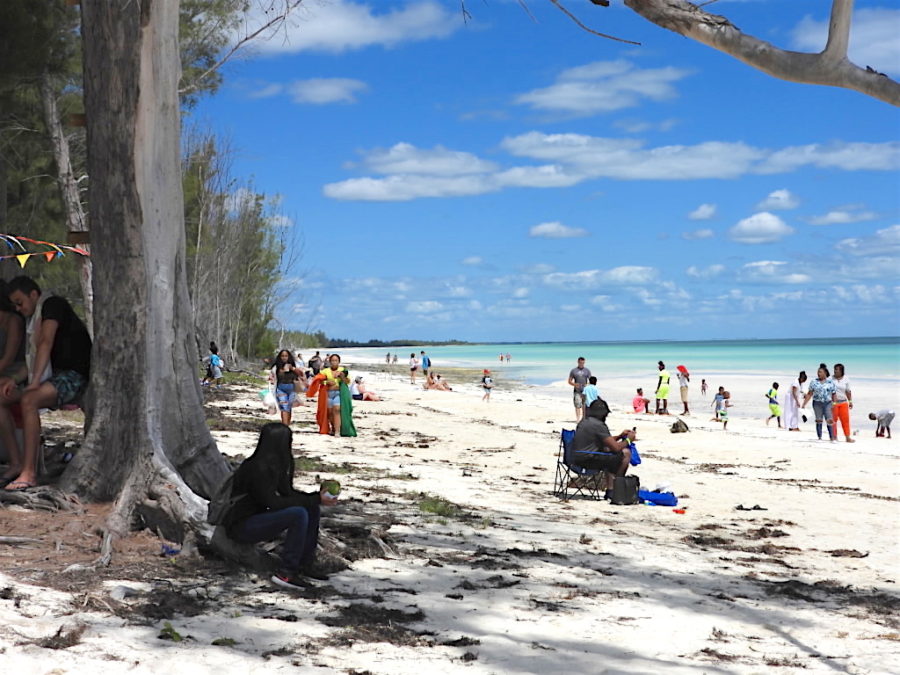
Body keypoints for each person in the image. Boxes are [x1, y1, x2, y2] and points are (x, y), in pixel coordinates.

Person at [0, 276, 91, 491]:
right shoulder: (33, 320)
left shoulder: (52, 305)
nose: (18, 308)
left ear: (33, 295)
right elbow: (32, 361)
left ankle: (29, 473)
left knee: (30, 400)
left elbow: (45, 343)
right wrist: (14, 380)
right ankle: (16, 463)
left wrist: (33, 384)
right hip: (51, 376)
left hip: (73, 374)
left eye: (20, 302)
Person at [222, 423, 338, 589]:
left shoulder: (280, 463)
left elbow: (287, 493)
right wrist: (313, 499)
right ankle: (286, 573)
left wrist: (316, 499)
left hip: (260, 518)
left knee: (311, 509)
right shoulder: (256, 467)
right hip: (241, 525)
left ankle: (304, 564)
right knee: (298, 514)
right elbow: (272, 503)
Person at [571, 398, 636, 501]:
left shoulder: (584, 422)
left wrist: (619, 436)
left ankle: (611, 490)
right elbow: (615, 447)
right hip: (587, 460)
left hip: (575, 458)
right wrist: (629, 440)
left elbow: (605, 441)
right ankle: (614, 489)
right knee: (625, 454)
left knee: (609, 455)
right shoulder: (599, 425)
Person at [802, 364, 836, 441]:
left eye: (820, 372)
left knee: (829, 419)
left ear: (825, 373)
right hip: (817, 403)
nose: (818, 373)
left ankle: (831, 437)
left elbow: (834, 394)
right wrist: (804, 404)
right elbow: (809, 394)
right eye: (818, 372)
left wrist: (834, 403)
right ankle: (819, 437)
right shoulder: (814, 382)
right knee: (819, 420)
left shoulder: (830, 382)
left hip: (828, 403)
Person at [270, 350, 302, 425]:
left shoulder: (293, 365)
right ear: (280, 357)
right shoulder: (276, 367)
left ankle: (287, 424)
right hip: (280, 389)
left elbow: (301, 374)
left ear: (289, 357)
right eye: (282, 356)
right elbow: (272, 378)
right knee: (284, 408)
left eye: (286, 356)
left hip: (292, 389)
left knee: (289, 407)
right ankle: (285, 426)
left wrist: (292, 369)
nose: (284, 358)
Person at [831, 363, 854, 443]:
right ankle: (834, 437)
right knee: (833, 420)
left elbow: (848, 391)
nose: (835, 371)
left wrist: (850, 401)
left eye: (836, 369)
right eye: (834, 369)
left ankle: (847, 437)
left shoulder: (846, 379)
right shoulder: (830, 379)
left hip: (844, 402)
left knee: (845, 421)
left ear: (841, 371)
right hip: (833, 403)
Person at [567, 357, 591, 422]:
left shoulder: (587, 370)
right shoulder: (573, 371)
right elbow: (569, 381)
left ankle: (584, 419)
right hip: (577, 390)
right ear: (578, 362)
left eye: (583, 363)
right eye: (580, 363)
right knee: (577, 405)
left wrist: (587, 384)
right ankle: (577, 419)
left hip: (585, 391)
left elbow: (591, 381)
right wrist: (574, 384)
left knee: (584, 405)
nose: (582, 364)